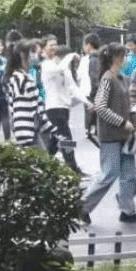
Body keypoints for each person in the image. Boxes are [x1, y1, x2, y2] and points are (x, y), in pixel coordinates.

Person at [82, 43, 136, 224]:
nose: (127, 59)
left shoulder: (121, 78)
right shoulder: (107, 79)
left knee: (129, 175)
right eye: (125, 55)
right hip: (111, 135)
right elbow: (100, 107)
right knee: (109, 173)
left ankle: (128, 210)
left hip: (125, 134)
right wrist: (122, 122)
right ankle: (82, 207)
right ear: (117, 58)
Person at [41, 36, 90, 174]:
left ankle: (42, 165)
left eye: (55, 44)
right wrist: (70, 56)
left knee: (55, 140)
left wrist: (87, 102)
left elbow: (73, 87)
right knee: (66, 138)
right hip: (53, 108)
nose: (54, 47)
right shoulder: (47, 66)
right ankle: (73, 168)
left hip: (64, 107)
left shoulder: (65, 68)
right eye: (51, 45)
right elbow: (59, 68)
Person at [3, 40, 57, 151]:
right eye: (33, 53)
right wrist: (51, 129)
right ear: (24, 56)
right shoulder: (23, 79)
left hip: (24, 130)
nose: (35, 56)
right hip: (28, 132)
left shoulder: (17, 77)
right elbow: (32, 109)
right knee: (42, 159)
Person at [77, 33, 101, 143]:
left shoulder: (87, 59)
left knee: (89, 111)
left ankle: (89, 129)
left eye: (84, 45)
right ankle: (95, 129)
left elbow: (79, 75)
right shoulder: (101, 57)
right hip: (96, 90)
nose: (83, 47)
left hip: (89, 91)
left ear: (89, 45)